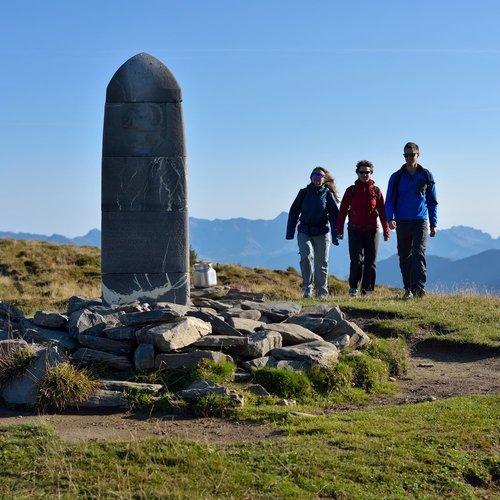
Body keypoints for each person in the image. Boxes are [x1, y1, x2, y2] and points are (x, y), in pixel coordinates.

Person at [385, 142, 438, 298]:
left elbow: (432, 201)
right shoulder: (396, 177)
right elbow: (390, 199)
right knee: (404, 255)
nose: (408, 158)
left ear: (418, 155)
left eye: (411, 155)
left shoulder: (426, 175)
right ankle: (408, 289)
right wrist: (390, 218)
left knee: (419, 253)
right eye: (406, 155)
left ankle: (419, 289)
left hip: (420, 220)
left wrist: (434, 223)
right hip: (402, 221)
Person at [336, 160, 390, 297]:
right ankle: (353, 288)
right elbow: (342, 212)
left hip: (372, 230)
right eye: (362, 172)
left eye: (367, 172)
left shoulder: (376, 191)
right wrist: (339, 230)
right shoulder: (351, 191)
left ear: (371, 173)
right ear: (357, 173)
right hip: (354, 230)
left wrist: (386, 230)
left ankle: (367, 291)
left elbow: (383, 212)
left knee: (370, 262)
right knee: (356, 260)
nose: (365, 175)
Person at [286, 167, 340, 298]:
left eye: (320, 176)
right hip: (305, 231)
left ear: (324, 179)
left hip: (322, 232)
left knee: (322, 262)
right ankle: (308, 287)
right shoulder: (303, 193)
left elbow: (334, 216)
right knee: (306, 256)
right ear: (311, 177)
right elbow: (294, 212)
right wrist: (290, 232)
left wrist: (336, 235)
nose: (317, 177)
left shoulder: (327, 194)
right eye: (315, 175)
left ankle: (322, 292)